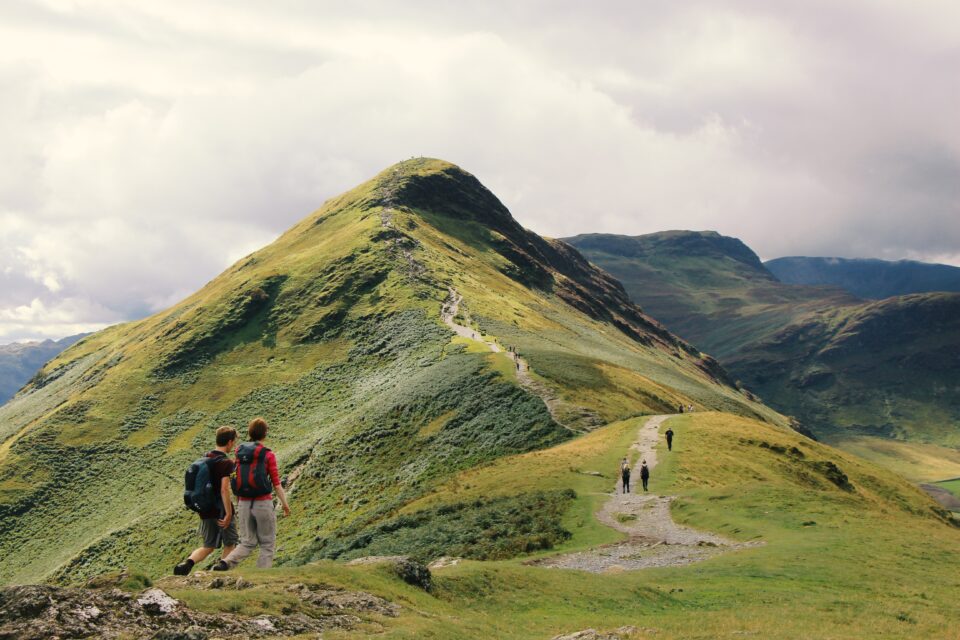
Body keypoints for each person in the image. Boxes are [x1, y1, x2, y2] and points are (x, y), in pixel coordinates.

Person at [214, 418, 291, 571]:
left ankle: (225, 562)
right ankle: (262, 577)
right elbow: (276, 483)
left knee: (247, 542)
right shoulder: (268, 455)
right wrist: (285, 504)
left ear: (249, 432)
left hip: (243, 503)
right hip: (262, 503)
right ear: (265, 433)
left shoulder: (239, 451)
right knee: (267, 543)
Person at [174, 426, 239, 575]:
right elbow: (224, 489)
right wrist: (228, 513)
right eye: (233, 442)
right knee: (230, 543)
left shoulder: (205, 458)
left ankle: (187, 564)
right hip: (221, 510)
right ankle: (220, 573)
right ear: (229, 442)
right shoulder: (226, 463)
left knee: (208, 545)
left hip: (205, 509)